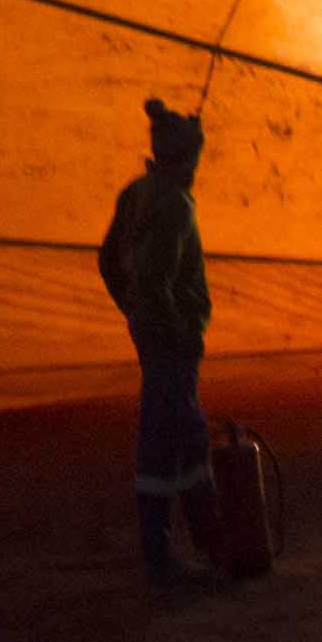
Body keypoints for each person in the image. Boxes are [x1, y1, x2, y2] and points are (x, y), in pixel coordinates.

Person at [98, 98, 218, 581]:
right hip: (171, 342)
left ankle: (207, 542)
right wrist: (177, 330)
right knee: (166, 439)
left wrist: (132, 313)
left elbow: (108, 261)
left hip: (152, 336)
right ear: (187, 158)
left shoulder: (136, 192)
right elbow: (154, 280)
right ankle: (162, 557)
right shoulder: (174, 203)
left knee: (185, 435)